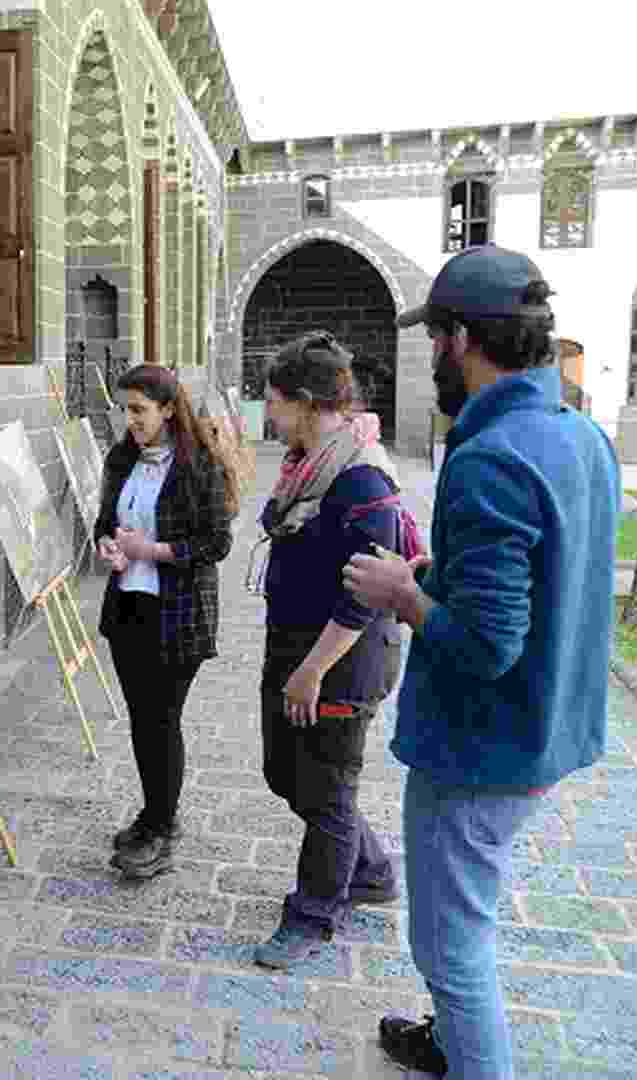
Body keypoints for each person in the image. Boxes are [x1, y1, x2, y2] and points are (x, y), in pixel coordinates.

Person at [343, 245, 619, 1080]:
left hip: (480, 749)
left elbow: (486, 644)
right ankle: (449, 1042)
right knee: (466, 915)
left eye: (434, 338)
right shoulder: (579, 434)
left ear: (461, 337)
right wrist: (436, 576)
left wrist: (402, 592)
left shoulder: (490, 457)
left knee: (450, 945)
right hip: (546, 732)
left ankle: (474, 1058)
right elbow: (539, 583)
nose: (430, 356)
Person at [248, 330, 410, 970]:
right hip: (293, 647)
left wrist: (312, 671)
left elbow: (365, 594)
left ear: (307, 402)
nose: (268, 416)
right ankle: (369, 869)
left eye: (274, 403)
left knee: (328, 787)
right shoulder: (305, 467)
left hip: (341, 663)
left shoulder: (363, 478)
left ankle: (314, 914)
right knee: (286, 775)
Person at [95, 363, 238, 881]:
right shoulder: (121, 457)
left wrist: (152, 550)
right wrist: (109, 546)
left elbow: (216, 543)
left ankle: (160, 826)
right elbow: (104, 521)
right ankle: (154, 813)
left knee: (162, 718)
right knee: (141, 718)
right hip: (128, 608)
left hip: (177, 614)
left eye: (139, 409)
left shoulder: (199, 465)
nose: (129, 419)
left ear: (169, 409)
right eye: (124, 409)